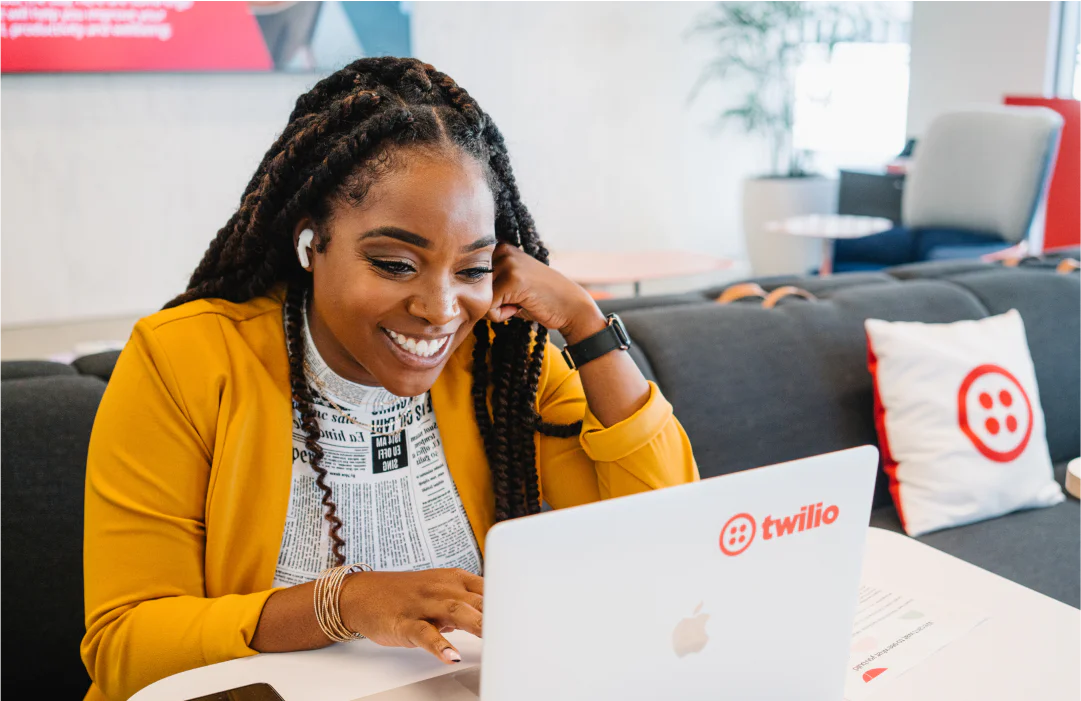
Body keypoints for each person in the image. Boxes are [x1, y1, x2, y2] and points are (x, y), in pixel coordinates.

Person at [81, 57, 697, 701]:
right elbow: (124, 649)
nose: (439, 308)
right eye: (395, 264)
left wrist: (586, 325)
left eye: (472, 268)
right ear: (310, 243)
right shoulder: (186, 358)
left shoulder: (502, 362)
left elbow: (668, 553)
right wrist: (342, 603)